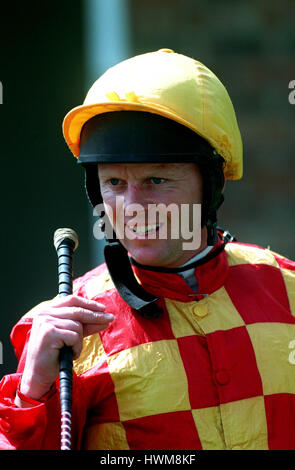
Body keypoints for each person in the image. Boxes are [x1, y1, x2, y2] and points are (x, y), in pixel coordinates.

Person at [1, 49, 295, 451]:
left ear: (212, 185)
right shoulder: (61, 331)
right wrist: (32, 394)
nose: (132, 207)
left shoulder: (289, 289)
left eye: (156, 180)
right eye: (115, 183)